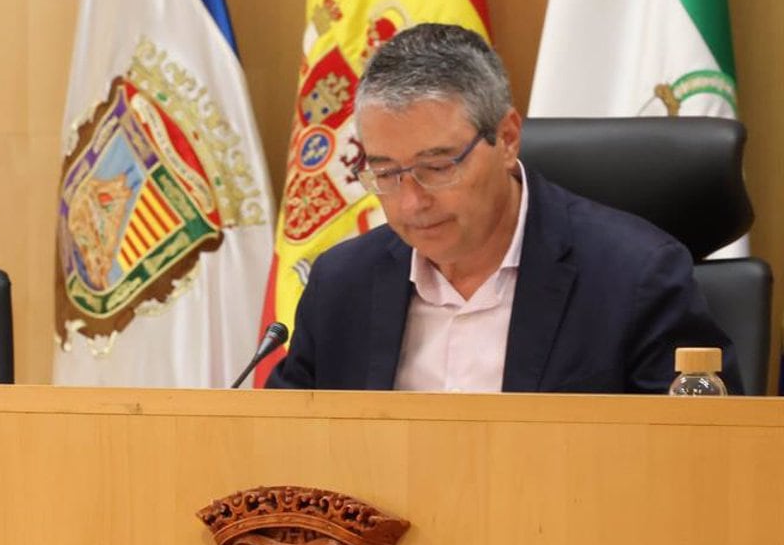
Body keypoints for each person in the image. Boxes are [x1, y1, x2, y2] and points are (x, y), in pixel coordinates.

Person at [266, 23, 737, 393]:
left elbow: (702, 465)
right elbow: (284, 448)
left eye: (437, 167)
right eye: (385, 173)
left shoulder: (635, 276)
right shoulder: (341, 284)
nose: (411, 202)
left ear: (507, 138)